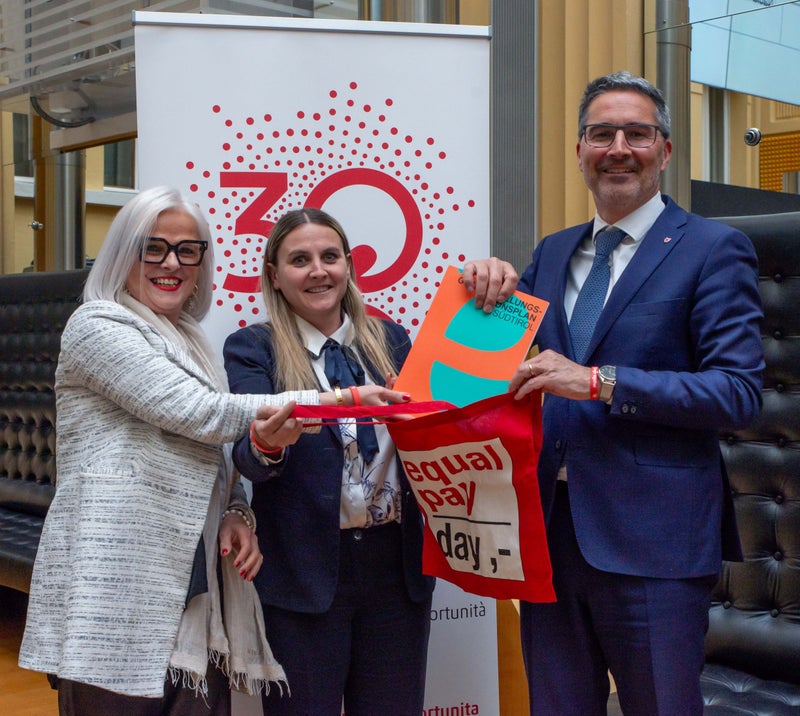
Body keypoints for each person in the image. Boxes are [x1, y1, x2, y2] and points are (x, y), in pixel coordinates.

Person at [18, 187, 405, 716]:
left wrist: (236, 511)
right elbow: (200, 413)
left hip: (195, 583)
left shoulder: (190, 338)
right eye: (153, 248)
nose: (171, 263)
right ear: (122, 253)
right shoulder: (97, 324)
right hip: (117, 585)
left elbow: (217, 457)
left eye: (187, 250)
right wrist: (339, 400)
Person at [464, 71, 764, 715]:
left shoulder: (713, 248)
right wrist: (487, 284)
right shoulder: (552, 252)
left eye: (637, 133)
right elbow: (498, 360)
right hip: (550, 536)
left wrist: (600, 382)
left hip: (654, 542)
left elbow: (737, 392)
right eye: (601, 134)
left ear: (665, 150)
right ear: (579, 151)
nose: (618, 148)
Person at [223, 207, 435, 716]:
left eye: (329, 257)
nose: (318, 271)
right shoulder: (253, 349)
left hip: (396, 571)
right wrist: (269, 444)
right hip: (303, 575)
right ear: (275, 276)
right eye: (300, 260)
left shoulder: (392, 341)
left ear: (348, 266)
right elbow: (249, 457)